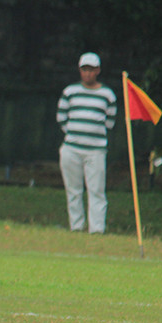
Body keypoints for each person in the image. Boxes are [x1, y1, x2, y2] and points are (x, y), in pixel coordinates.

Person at [57, 52, 117, 234]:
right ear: (80, 70)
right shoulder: (70, 92)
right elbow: (61, 118)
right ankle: (76, 226)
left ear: (97, 70)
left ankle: (97, 229)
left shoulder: (107, 94)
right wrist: (76, 135)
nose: (88, 74)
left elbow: (110, 122)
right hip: (71, 149)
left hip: (96, 151)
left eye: (91, 70)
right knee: (73, 189)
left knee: (96, 190)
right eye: (84, 70)